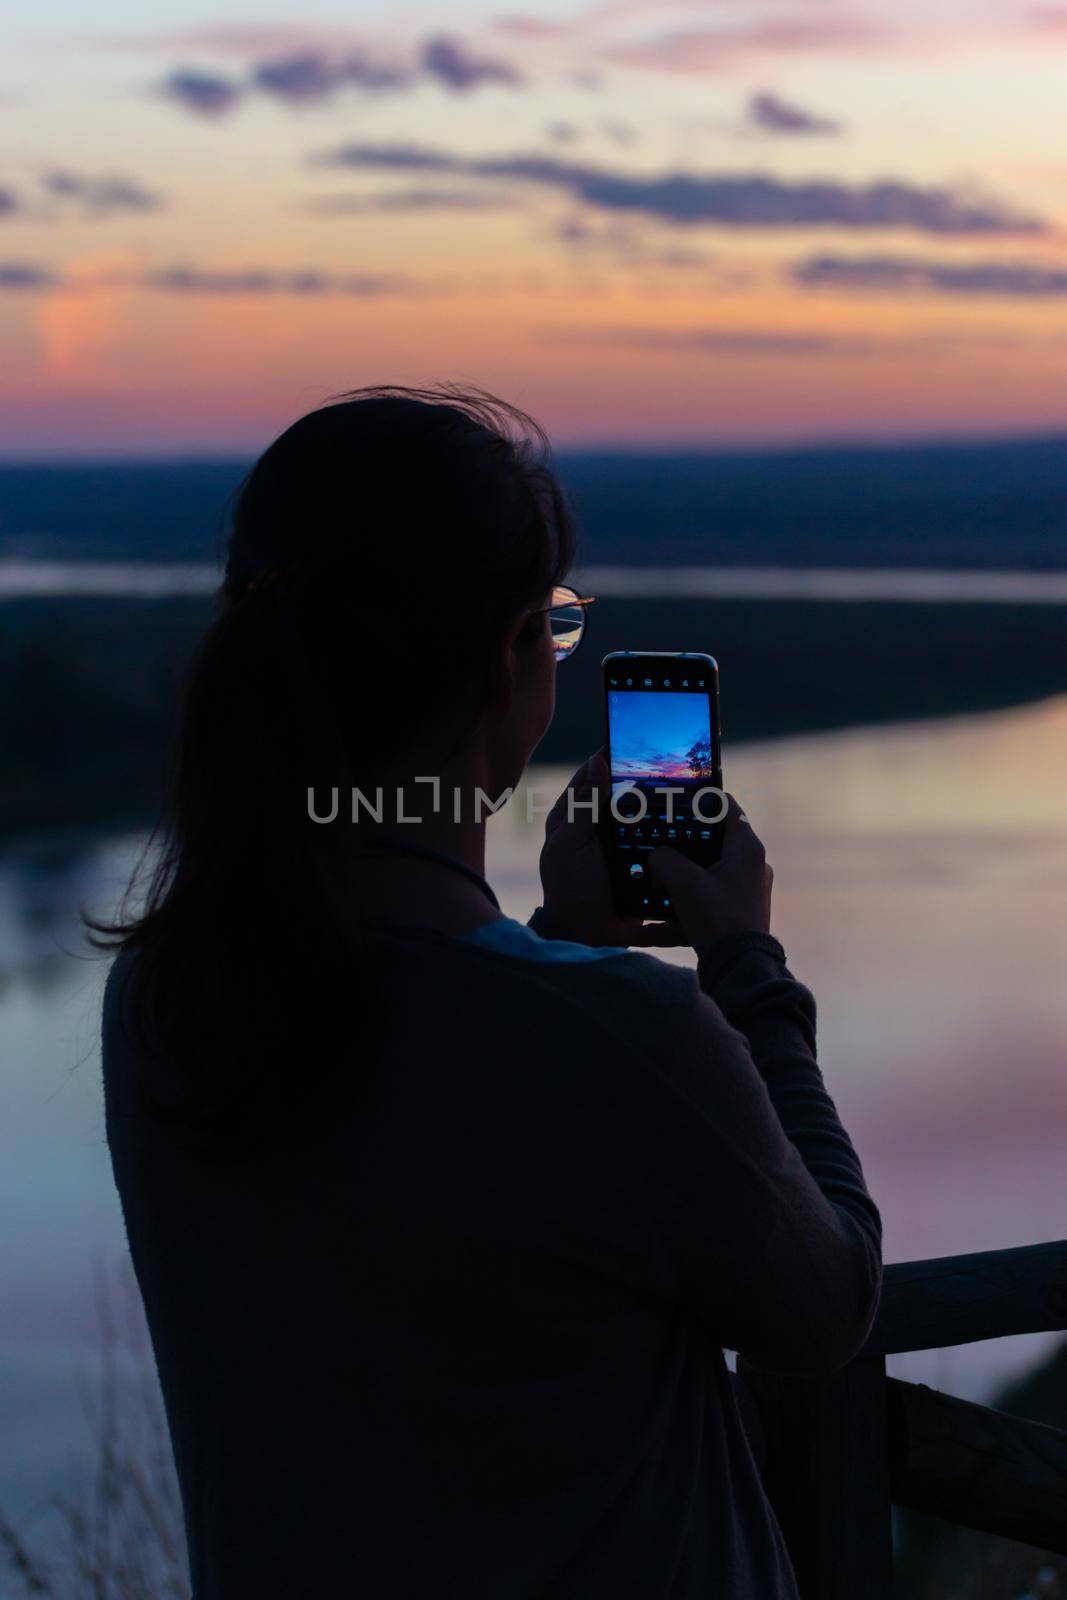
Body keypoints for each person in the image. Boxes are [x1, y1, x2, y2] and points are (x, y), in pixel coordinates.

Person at [97, 385, 882, 1599]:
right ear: (504, 663)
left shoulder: (166, 998)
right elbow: (826, 1301)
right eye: (551, 624)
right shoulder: (627, 1035)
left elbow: (424, 1111)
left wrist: (550, 940)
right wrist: (747, 974)